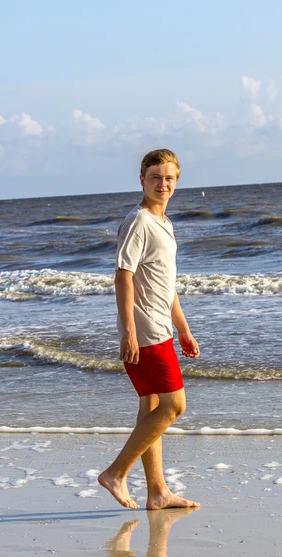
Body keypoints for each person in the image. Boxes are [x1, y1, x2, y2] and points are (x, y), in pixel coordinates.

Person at [98, 149, 200, 510]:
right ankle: (115, 473)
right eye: (156, 176)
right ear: (142, 179)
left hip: (160, 326)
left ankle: (157, 492)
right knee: (175, 406)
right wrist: (128, 330)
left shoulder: (164, 224)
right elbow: (123, 275)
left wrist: (183, 328)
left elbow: (165, 283)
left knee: (151, 407)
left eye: (169, 177)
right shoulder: (138, 221)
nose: (163, 183)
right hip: (145, 331)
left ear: (177, 181)